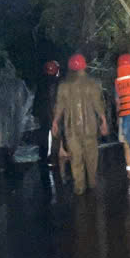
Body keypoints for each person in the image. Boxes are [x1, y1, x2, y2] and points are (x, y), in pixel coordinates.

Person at [52, 53, 110, 194]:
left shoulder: (63, 85)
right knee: (91, 156)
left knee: (75, 158)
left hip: (71, 128)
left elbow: (59, 106)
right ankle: (92, 182)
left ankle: (79, 186)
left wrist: (55, 122)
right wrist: (103, 121)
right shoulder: (92, 83)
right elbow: (98, 104)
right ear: (84, 66)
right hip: (90, 127)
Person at [0, 61, 33, 173]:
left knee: (6, 137)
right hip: (6, 114)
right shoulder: (0, 83)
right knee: (4, 137)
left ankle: (6, 160)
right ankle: (5, 160)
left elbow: (26, 98)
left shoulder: (16, 83)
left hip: (12, 114)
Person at [34, 59, 62, 162]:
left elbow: (37, 100)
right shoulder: (58, 82)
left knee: (43, 135)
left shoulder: (41, 82)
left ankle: (43, 156)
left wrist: (36, 114)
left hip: (43, 114)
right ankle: (54, 156)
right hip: (53, 113)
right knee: (56, 135)